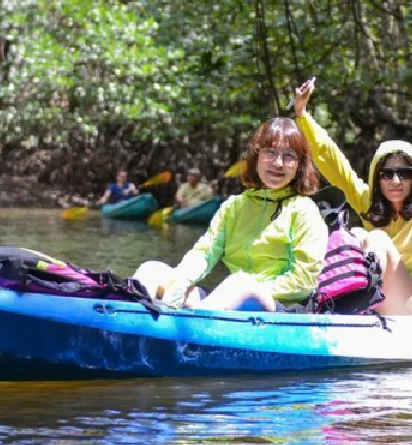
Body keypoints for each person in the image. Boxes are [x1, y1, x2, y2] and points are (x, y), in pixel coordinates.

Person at [294, 75, 412, 315]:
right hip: (380, 306)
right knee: (358, 233)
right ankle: (342, 297)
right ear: (378, 177)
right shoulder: (367, 203)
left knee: (376, 239)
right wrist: (302, 116)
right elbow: (333, 162)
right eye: (387, 173)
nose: (395, 181)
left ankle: (360, 298)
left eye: (404, 173)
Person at [133, 118, 328, 311]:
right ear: (256, 156)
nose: (278, 163)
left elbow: (304, 280)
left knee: (241, 283)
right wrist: (181, 281)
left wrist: (253, 288)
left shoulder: (304, 210)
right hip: (230, 298)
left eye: (289, 156)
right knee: (151, 271)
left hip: (281, 306)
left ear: (299, 165)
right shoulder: (234, 206)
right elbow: (205, 252)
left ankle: (193, 334)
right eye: (270, 152)